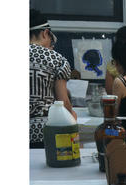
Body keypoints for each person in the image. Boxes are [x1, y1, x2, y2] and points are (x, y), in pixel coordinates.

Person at [29, 9, 76, 148]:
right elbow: (63, 102)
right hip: (45, 133)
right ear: (45, 33)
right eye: (51, 38)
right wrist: (73, 116)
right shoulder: (56, 59)